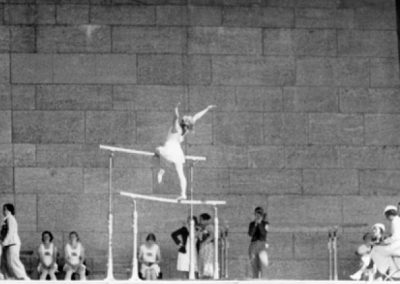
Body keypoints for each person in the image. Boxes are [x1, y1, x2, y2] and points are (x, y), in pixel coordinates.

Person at [154, 103, 215, 200]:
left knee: (157, 150)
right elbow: (193, 117)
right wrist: (207, 108)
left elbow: (178, 117)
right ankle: (182, 192)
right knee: (180, 173)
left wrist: (175, 107)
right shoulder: (182, 130)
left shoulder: (177, 128)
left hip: (170, 150)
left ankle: (163, 170)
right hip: (177, 152)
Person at [0, 203, 30, 280]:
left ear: (9, 210)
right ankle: (10, 277)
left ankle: (23, 277)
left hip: (13, 243)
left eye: (5, 209)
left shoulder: (10, 219)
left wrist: (4, 242)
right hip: (8, 244)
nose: (3, 211)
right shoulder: (6, 219)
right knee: (7, 262)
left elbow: (10, 231)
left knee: (13, 261)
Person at [371, 205, 400, 278]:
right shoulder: (397, 220)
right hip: (396, 247)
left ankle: (382, 271)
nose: (386, 218)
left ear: (389, 214)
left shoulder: (395, 221)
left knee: (375, 250)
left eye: (386, 216)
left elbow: (395, 237)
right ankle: (389, 270)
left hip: (396, 247)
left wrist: (383, 243)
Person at [248, 206, 269, 279]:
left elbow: (263, 234)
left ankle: (263, 280)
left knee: (263, 265)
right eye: (256, 214)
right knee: (254, 265)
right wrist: (255, 224)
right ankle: (255, 279)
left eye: (259, 214)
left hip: (261, 244)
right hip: (253, 244)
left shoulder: (265, 223)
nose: (258, 216)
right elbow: (250, 233)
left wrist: (260, 224)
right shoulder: (252, 224)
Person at [198, 213, 214, 279]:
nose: (200, 221)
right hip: (205, 245)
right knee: (204, 260)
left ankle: (207, 274)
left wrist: (204, 243)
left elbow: (212, 235)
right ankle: (205, 274)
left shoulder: (209, 226)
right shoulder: (204, 227)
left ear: (206, 220)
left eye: (201, 220)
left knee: (207, 260)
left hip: (207, 246)